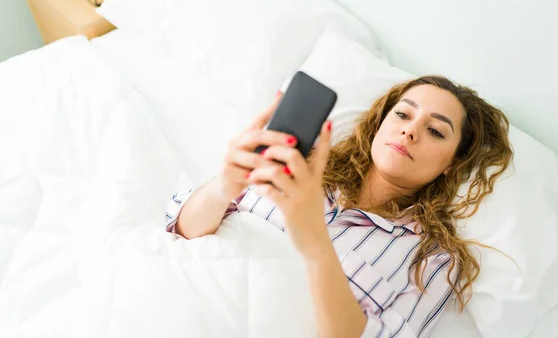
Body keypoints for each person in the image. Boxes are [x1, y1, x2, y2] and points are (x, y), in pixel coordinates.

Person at [165, 75, 513, 338]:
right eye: (403, 114)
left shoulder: (431, 260)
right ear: (380, 124)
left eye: (436, 131)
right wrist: (227, 183)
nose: (410, 131)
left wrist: (316, 243)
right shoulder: (297, 167)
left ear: (451, 164)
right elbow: (182, 231)